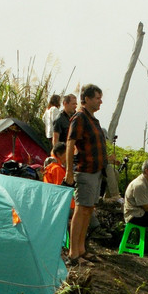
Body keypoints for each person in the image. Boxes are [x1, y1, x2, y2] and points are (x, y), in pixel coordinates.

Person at [64, 85, 106, 263]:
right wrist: (68, 171)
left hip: (96, 171)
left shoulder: (93, 119)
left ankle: (81, 249)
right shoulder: (80, 117)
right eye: (97, 98)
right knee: (80, 211)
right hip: (85, 170)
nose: (100, 101)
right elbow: (70, 142)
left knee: (88, 210)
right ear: (87, 99)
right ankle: (73, 253)